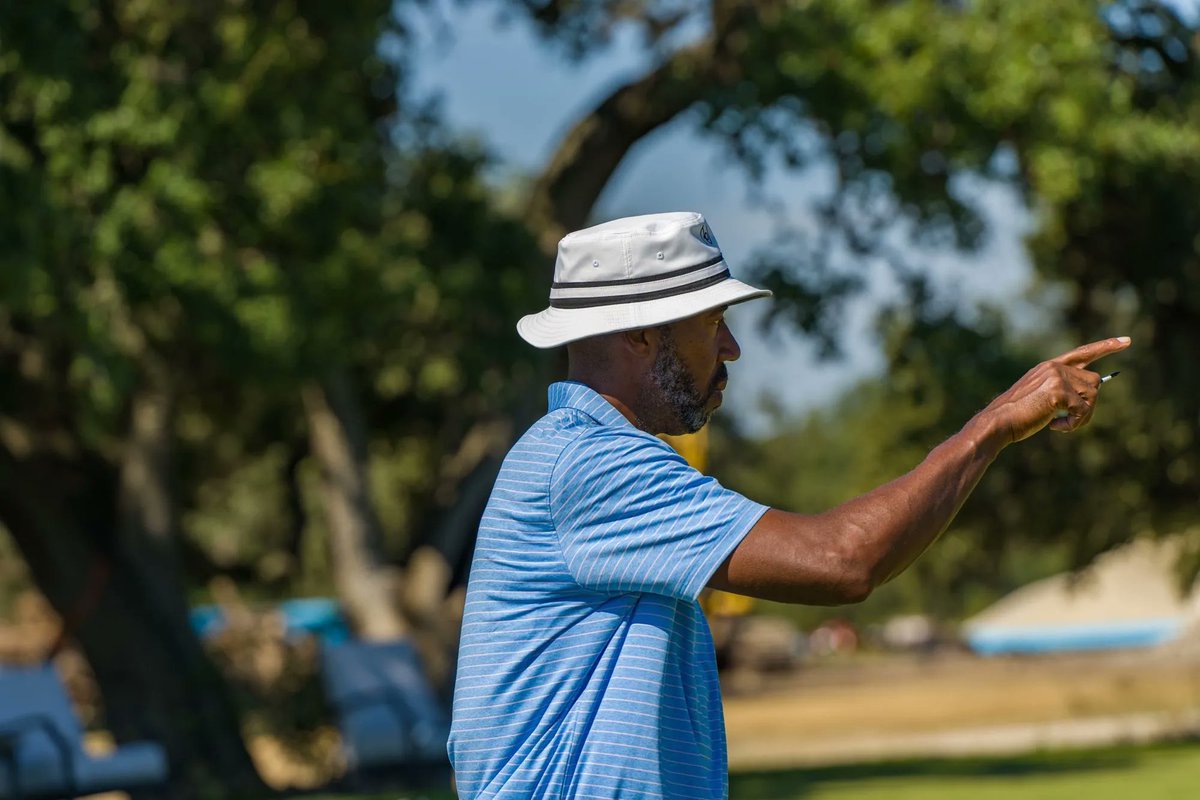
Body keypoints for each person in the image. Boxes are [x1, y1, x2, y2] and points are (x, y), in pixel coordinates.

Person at [447, 211, 1129, 799]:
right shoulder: (589, 465)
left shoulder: (588, 456)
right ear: (641, 334)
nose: (733, 347)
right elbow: (842, 561)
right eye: (712, 321)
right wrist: (996, 425)